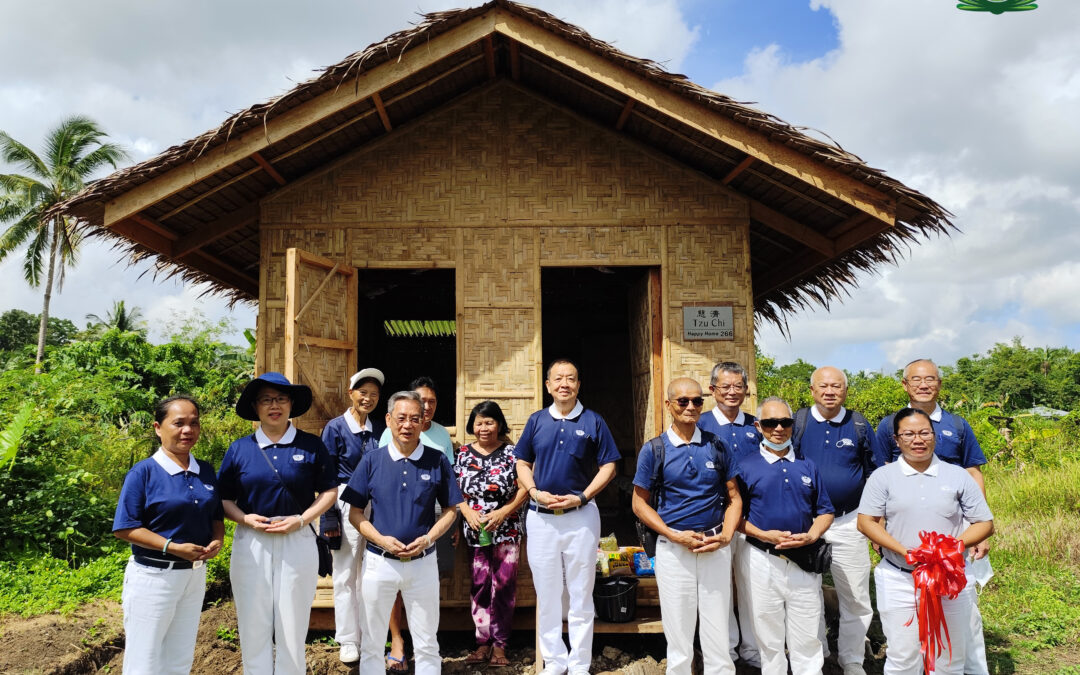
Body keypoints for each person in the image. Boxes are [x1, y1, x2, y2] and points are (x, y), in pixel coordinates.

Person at [874, 358, 991, 674]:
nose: (923, 384)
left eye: (930, 379)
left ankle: (968, 668)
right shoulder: (889, 424)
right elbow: (882, 474)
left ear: (939, 383)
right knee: (907, 635)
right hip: (907, 538)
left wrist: (978, 526)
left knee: (964, 617)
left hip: (955, 531)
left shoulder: (957, 424)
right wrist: (881, 527)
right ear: (905, 384)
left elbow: (972, 471)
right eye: (916, 379)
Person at [217, 372, 338, 675]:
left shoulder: (310, 445)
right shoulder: (239, 449)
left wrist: (302, 519)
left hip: (297, 540)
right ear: (255, 407)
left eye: (281, 399)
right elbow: (222, 498)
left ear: (291, 404)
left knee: (293, 622)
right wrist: (245, 518)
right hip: (251, 541)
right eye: (266, 400)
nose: (274, 405)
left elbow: (329, 491)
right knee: (252, 620)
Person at [341, 390, 464, 675]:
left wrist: (429, 538)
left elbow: (451, 510)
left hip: (423, 564)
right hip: (379, 562)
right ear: (388, 420)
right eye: (401, 418)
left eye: (415, 419)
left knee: (426, 642)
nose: (407, 425)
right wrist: (381, 539)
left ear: (423, 422)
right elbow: (355, 513)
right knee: (372, 642)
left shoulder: (437, 461)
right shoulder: (371, 461)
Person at [515, 359, 620, 675]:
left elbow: (609, 466)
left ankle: (578, 664)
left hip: (581, 517)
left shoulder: (594, 421)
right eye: (558, 378)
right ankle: (554, 661)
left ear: (578, 384)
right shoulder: (536, 421)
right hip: (541, 518)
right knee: (547, 594)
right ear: (548, 385)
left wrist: (584, 495)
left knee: (580, 592)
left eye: (571, 378)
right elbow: (521, 461)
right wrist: (533, 492)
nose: (564, 384)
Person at [632, 378, 742, 675]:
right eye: (683, 401)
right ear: (669, 406)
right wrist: (671, 534)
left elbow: (734, 497)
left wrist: (726, 536)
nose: (691, 407)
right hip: (673, 549)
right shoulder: (654, 450)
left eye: (696, 401)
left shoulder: (716, 446)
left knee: (718, 625)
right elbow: (639, 503)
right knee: (678, 627)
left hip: (714, 546)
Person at [112, 395, 224, 675]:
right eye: (178, 423)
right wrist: (172, 547)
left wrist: (218, 539)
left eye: (194, 423)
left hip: (195, 575)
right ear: (158, 427)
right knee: (144, 659)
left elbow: (215, 516)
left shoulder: (205, 470)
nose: (188, 430)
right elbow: (125, 527)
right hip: (154, 577)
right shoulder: (144, 473)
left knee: (180, 657)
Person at [738, 396, 835, 675]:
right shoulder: (745, 467)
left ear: (793, 425)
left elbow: (825, 510)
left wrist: (812, 535)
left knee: (807, 630)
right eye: (770, 423)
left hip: (803, 558)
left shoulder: (807, 465)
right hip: (761, 558)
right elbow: (736, 517)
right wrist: (764, 535)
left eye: (785, 422)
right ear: (758, 426)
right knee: (768, 633)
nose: (778, 428)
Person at [791, 366, 878, 675]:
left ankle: (852, 660)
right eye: (824, 386)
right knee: (805, 593)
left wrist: (875, 519)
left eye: (837, 386)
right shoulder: (798, 423)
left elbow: (873, 473)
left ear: (845, 390)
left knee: (855, 595)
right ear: (812, 390)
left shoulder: (858, 424)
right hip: (807, 522)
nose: (830, 391)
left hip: (849, 521)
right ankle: (818, 657)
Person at [377, 375, 454, 670]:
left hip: (436, 517)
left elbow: (449, 481)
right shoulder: (391, 433)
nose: (426, 407)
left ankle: (425, 642)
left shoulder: (442, 435)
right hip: (397, 515)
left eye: (431, 402)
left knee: (429, 580)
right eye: (421, 401)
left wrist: (452, 522)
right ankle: (397, 640)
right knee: (395, 583)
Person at [696, 361, 762, 666]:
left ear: (747, 390)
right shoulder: (700, 424)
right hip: (715, 519)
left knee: (750, 587)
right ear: (712, 390)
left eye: (738, 386)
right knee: (719, 589)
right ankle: (727, 650)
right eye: (725, 387)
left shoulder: (757, 426)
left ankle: (752, 650)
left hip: (753, 520)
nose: (732, 392)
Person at [455, 401, 529, 668]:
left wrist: (504, 512)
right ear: (471, 426)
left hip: (506, 529)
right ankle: (482, 643)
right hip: (476, 531)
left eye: (489, 422)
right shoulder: (463, 454)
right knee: (480, 585)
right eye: (478, 422)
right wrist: (467, 512)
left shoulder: (512, 453)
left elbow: (525, 487)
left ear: (499, 424)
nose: (483, 427)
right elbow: (455, 491)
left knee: (504, 585)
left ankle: (500, 645)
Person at [321, 368, 386, 665]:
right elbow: (325, 476)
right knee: (345, 572)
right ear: (351, 394)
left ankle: (369, 636)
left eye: (374, 394)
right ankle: (348, 639)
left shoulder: (379, 430)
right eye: (363, 392)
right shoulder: (335, 428)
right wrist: (329, 516)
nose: (368, 398)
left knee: (371, 572)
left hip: (375, 502)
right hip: (345, 500)